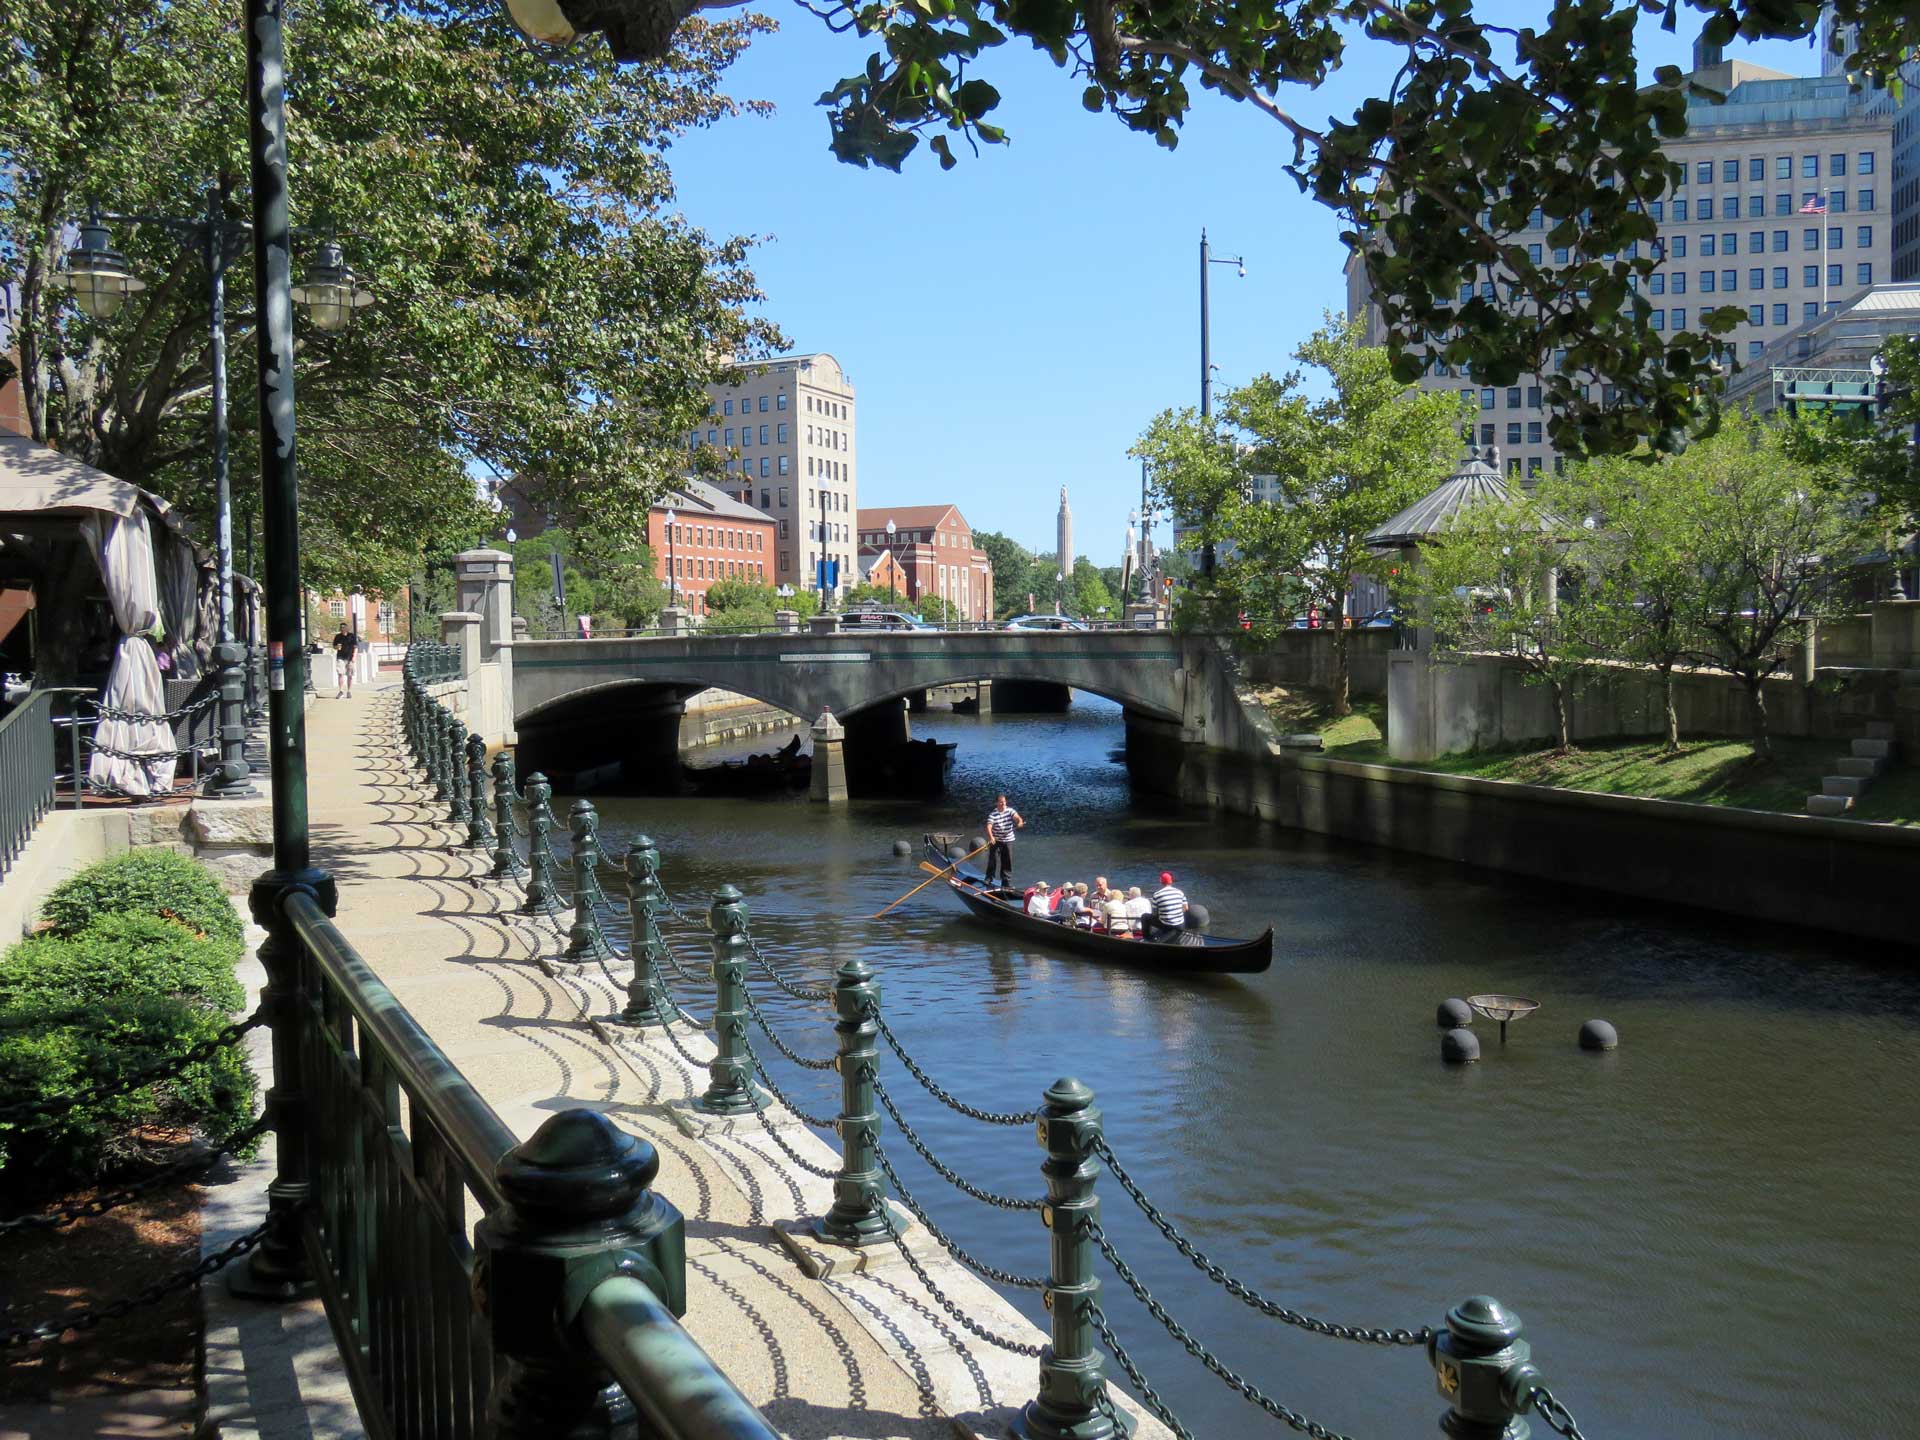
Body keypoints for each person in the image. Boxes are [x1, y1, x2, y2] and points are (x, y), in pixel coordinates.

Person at [984, 794, 1024, 887]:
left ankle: (1006, 881)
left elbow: (1018, 818)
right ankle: (989, 878)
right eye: (1001, 802)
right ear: (996, 803)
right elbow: (989, 826)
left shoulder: (1010, 811)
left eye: (1004, 802)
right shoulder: (992, 814)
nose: (1003, 804)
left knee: (1007, 861)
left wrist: (1020, 822)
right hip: (996, 840)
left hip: (1008, 840)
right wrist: (991, 837)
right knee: (992, 859)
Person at [1146, 871, 1190, 941]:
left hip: (1167, 926)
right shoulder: (1180, 892)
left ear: (1160, 881)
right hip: (1181, 925)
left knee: (1145, 917)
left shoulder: (1157, 894)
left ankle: (1147, 938)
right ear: (1171, 881)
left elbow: (1154, 913)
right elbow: (1186, 908)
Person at [331, 626, 359, 698]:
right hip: (340, 657)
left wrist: (354, 656)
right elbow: (334, 646)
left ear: (347, 629)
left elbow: (355, 647)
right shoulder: (338, 637)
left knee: (350, 675)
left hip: (350, 658)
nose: (343, 629)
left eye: (344, 628)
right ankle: (341, 691)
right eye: (341, 628)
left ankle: (349, 691)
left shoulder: (351, 636)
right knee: (340, 674)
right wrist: (337, 647)